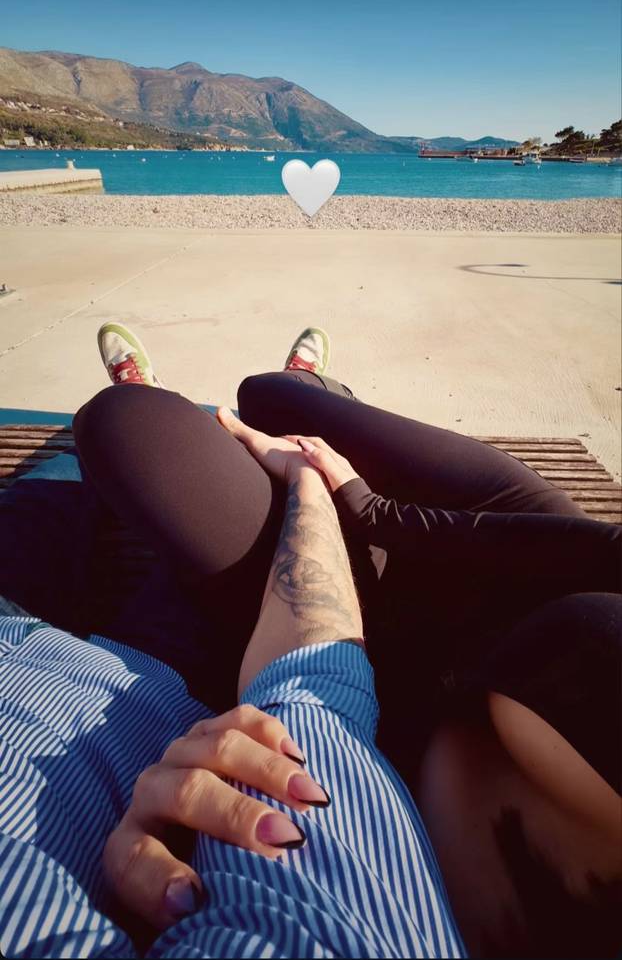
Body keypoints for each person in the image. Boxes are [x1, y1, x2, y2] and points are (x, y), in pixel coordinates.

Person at [0, 322, 619, 956]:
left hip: (367, 667)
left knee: (131, 424)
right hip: (502, 572)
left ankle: (257, 423)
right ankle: (313, 387)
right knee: (268, 397)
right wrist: (361, 501)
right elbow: (601, 554)